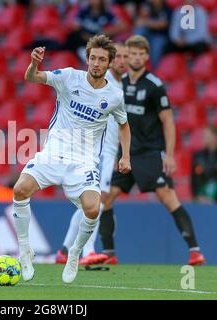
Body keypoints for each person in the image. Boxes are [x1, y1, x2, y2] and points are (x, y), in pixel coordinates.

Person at [12, 34, 132, 284]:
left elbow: (123, 125)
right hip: (54, 153)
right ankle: (25, 250)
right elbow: (31, 77)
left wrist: (125, 156)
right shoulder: (69, 77)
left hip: (84, 162)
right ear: (87, 59)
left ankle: (75, 252)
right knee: (20, 189)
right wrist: (34, 63)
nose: (96, 63)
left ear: (109, 63)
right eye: (93, 58)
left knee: (92, 208)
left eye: (102, 59)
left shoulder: (114, 96)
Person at [89, 35, 206, 266]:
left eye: (141, 54)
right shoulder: (117, 84)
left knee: (167, 196)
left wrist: (169, 154)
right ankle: (109, 253)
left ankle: (195, 250)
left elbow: (168, 121)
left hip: (149, 153)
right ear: (127, 55)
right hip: (126, 154)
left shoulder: (154, 85)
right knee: (106, 197)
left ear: (146, 57)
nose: (136, 57)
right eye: (132, 53)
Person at [55, 42, 129, 265]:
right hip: (99, 151)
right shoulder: (105, 85)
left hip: (107, 150)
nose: (123, 61)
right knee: (96, 202)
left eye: (126, 56)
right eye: (120, 56)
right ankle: (86, 251)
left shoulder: (119, 85)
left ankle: (65, 249)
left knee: (95, 202)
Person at [63, 0, 127, 61]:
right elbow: (75, 26)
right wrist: (81, 29)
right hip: (83, 38)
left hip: (97, 39)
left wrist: (107, 31)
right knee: (73, 36)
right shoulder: (84, 11)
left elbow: (123, 26)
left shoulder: (106, 13)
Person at [191, 126, 217, 203]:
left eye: (206, 135)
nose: (203, 137)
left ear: (215, 137)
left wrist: (215, 199)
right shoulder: (197, 156)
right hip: (200, 201)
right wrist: (198, 197)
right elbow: (194, 180)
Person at [134, 0, 172, 68]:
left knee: (156, 46)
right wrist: (153, 23)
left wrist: (146, 22)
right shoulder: (147, 6)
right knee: (139, 30)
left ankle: (155, 70)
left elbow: (163, 25)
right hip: (149, 33)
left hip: (161, 36)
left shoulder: (167, 8)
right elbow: (138, 22)